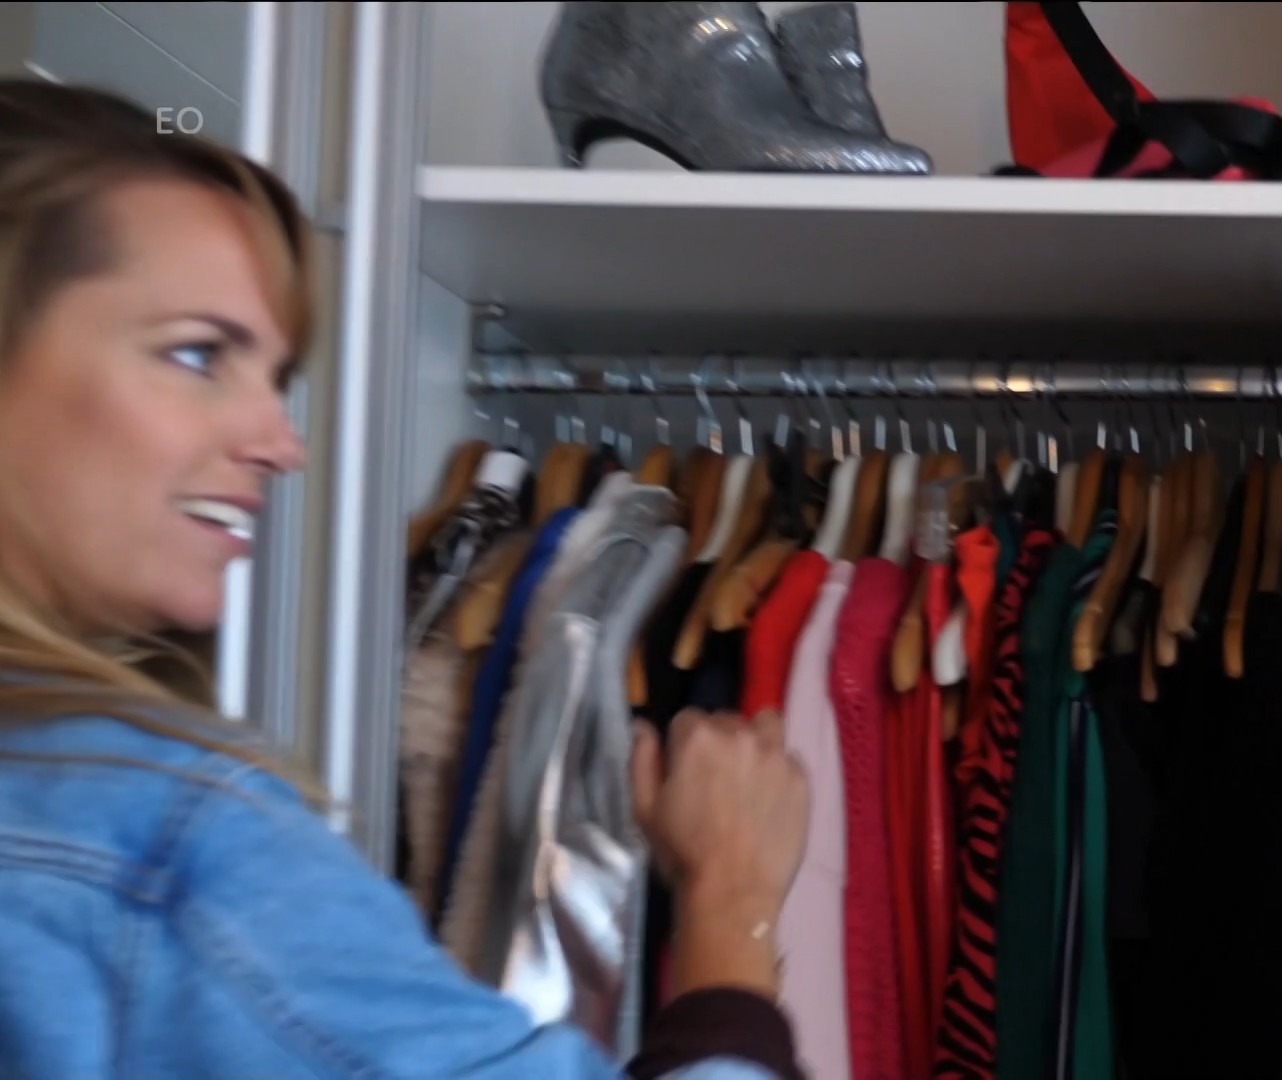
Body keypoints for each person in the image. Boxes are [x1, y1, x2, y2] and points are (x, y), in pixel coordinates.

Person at [0, 79, 809, 1078]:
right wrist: (733, 901)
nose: (281, 443)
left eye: (276, 378)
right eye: (198, 355)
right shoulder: (163, 840)